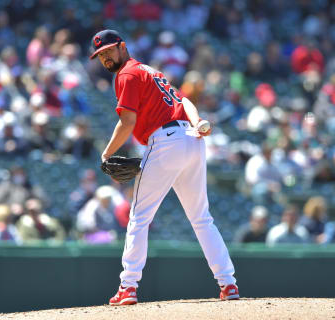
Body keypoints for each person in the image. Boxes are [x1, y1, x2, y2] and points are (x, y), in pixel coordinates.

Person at [90, 30, 239, 305]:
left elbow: (127, 123)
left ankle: (128, 285)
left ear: (123, 47)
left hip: (166, 141)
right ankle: (228, 283)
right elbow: (184, 101)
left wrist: (106, 153)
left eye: (109, 50)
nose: (105, 57)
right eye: (101, 55)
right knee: (202, 218)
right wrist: (196, 122)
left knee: (139, 217)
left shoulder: (127, 74)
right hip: (191, 141)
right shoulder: (151, 71)